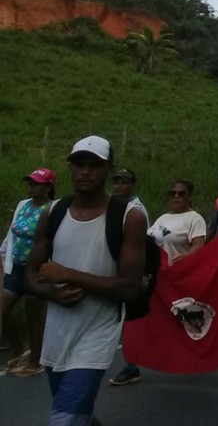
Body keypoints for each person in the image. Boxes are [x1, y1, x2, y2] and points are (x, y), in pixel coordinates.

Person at [25, 136, 147, 426]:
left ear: (109, 168)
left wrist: (68, 274)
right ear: (70, 166)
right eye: (79, 163)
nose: (86, 171)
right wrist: (52, 294)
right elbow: (29, 276)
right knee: (78, 415)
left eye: (95, 165)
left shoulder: (129, 217)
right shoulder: (52, 213)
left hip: (97, 333)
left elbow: (129, 287)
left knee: (62, 419)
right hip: (56, 335)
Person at [111, 179, 207, 386]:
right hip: (155, 279)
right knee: (138, 320)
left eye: (181, 193)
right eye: (172, 192)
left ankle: (204, 355)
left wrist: (185, 258)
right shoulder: (163, 217)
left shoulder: (194, 218)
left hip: (177, 282)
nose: (176, 196)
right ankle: (131, 366)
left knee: (187, 325)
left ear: (189, 196)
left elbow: (199, 244)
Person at [1, 168, 56, 377]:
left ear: (48, 187)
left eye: (36, 184)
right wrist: (2, 257)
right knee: (2, 309)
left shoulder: (53, 209)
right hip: (15, 267)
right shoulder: (22, 205)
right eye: (30, 183)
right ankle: (19, 346)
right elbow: (11, 235)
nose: (31, 187)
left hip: (38, 269)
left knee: (34, 315)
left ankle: (35, 360)